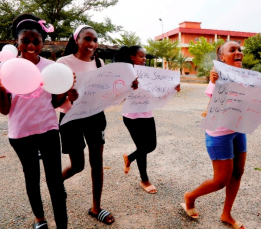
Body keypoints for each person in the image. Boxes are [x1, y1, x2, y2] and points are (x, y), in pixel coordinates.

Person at [0, 13, 78, 229]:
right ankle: (39, 218)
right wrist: (1, 91)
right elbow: (5, 111)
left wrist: (68, 93)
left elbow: (54, 102)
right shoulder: (6, 70)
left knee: (54, 181)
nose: (32, 45)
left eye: (37, 41)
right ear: (17, 41)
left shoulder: (51, 68)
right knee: (31, 177)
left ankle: (62, 224)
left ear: (43, 42)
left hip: (48, 130)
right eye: (26, 40)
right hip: (20, 134)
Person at [57, 25, 138, 225]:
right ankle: (56, 183)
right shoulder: (63, 63)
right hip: (71, 118)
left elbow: (109, 94)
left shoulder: (100, 63)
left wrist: (129, 88)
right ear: (76, 39)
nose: (92, 44)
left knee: (97, 163)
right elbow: (53, 98)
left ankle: (96, 207)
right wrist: (66, 95)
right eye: (88, 39)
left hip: (95, 117)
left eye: (95, 40)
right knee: (78, 166)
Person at [181, 41, 246, 229]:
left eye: (239, 50)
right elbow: (215, 99)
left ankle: (227, 214)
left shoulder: (244, 77)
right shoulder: (217, 79)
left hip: (239, 131)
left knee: (238, 173)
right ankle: (190, 196)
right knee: (220, 181)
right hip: (219, 135)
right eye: (232, 50)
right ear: (222, 57)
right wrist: (213, 82)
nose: (237, 52)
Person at [114, 46, 180, 194]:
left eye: (145, 57)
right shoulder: (126, 73)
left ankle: (129, 157)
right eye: (141, 56)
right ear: (132, 57)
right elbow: (118, 95)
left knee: (151, 146)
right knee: (142, 148)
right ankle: (144, 180)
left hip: (147, 114)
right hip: (132, 117)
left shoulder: (149, 73)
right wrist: (129, 87)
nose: (144, 59)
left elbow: (158, 90)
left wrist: (173, 88)